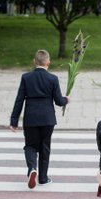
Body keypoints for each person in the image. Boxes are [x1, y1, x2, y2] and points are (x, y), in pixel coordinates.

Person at [9, 50, 69, 189]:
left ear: (34, 62)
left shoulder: (26, 77)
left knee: (30, 145)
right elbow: (59, 101)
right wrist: (66, 100)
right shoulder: (53, 79)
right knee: (45, 147)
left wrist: (14, 121)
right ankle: (43, 178)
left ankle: (32, 169)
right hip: (48, 119)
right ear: (48, 63)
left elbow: (19, 100)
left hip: (31, 118)